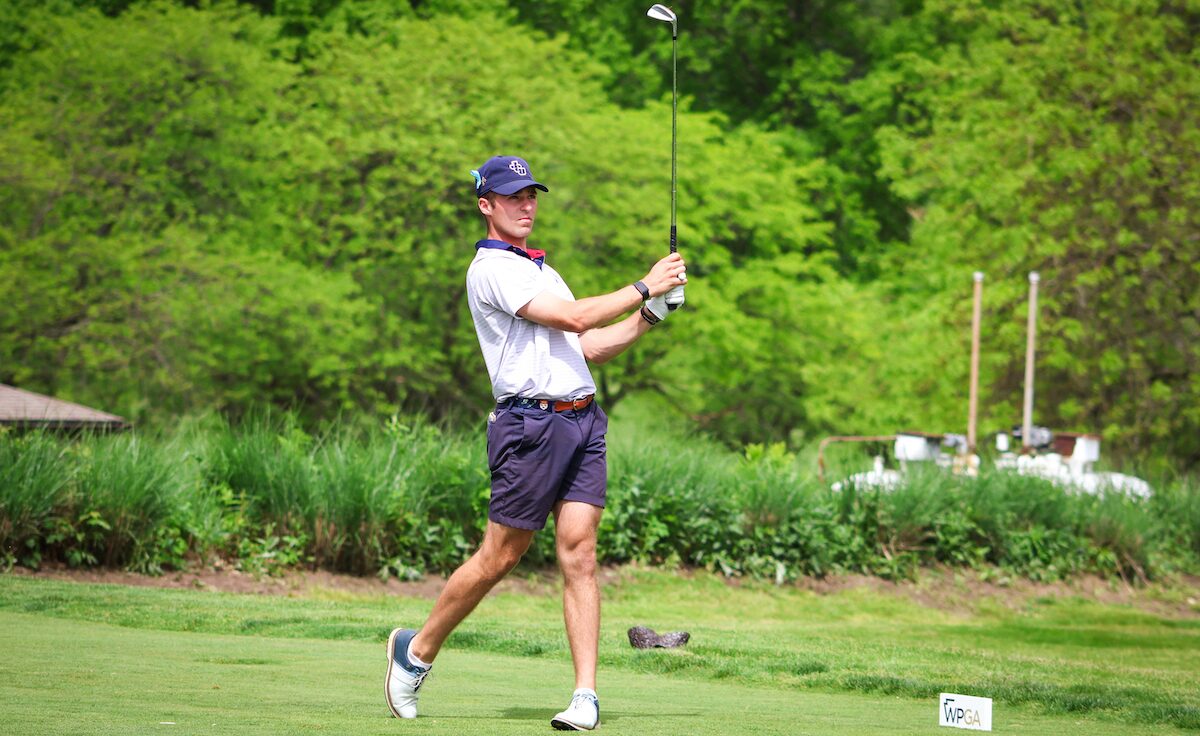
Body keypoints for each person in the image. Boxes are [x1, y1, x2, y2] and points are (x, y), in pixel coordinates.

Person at [384, 155, 687, 731]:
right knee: (501, 555)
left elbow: (589, 347)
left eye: (532, 195)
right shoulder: (492, 270)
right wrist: (645, 282)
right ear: (486, 204)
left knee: (581, 552)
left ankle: (585, 697)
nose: (526, 205)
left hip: (581, 420)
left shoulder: (542, 270)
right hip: (530, 426)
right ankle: (416, 650)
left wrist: (651, 313)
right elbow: (575, 319)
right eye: (513, 196)